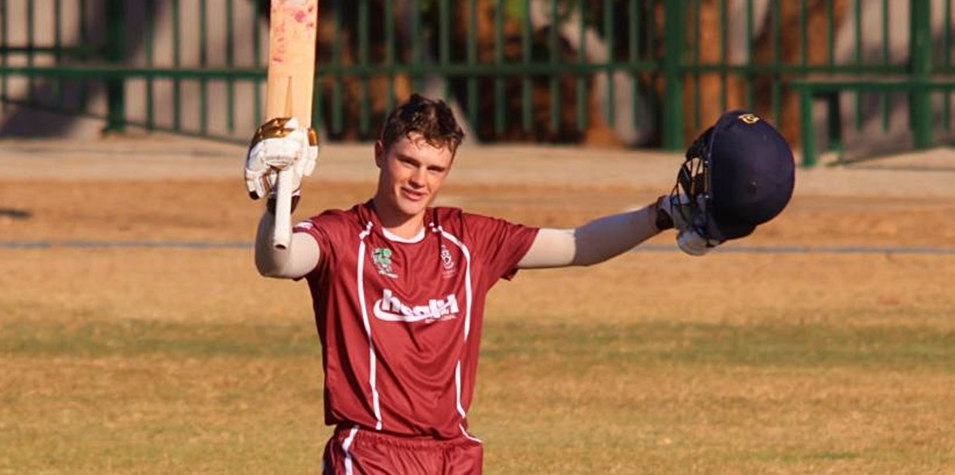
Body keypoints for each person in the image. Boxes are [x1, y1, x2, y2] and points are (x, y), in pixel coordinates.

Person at [243, 95, 794, 475]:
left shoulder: (467, 240)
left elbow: (579, 246)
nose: (418, 180)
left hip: (454, 455)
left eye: (435, 169)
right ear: (380, 155)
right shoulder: (343, 235)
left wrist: (662, 215)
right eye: (407, 161)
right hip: (370, 454)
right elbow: (280, 260)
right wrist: (281, 201)